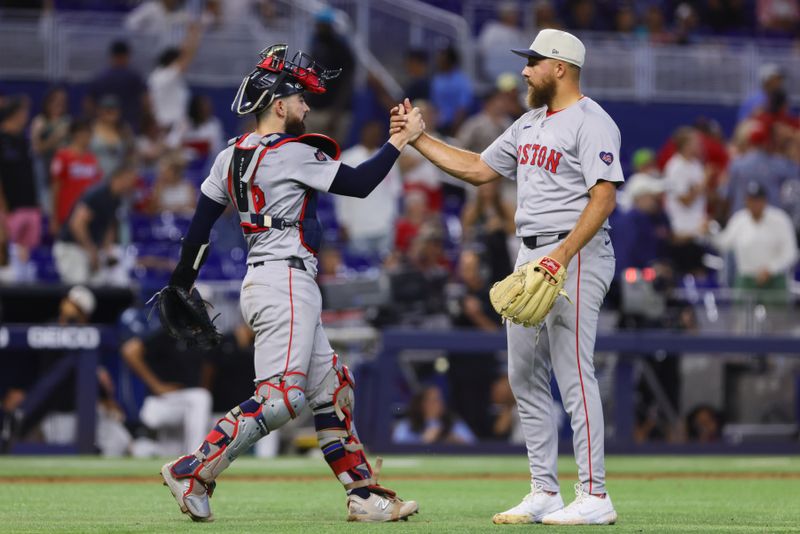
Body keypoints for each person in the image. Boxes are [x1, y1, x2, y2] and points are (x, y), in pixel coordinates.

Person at [157, 43, 422, 523]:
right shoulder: (292, 153)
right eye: (300, 98)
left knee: (332, 386)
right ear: (278, 104)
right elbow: (361, 183)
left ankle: (362, 496)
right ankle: (193, 469)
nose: (306, 106)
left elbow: (198, 231)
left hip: (267, 281)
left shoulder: (229, 156)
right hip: (286, 282)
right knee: (280, 399)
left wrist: (181, 283)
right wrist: (400, 140)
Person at [391, 29, 620, 525]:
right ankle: (544, 490)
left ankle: (595, 495)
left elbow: (603, 198)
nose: (524, 70)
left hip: (574, 253)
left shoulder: (591, 120)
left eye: (534, 61)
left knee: (574, 374)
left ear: (560, 67)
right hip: (529, 254)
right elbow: (476, 168)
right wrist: (419, 138)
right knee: (522, 375)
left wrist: (560, 255)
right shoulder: (529, 123)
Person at [53, 163, 138, 285]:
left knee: (99, 287)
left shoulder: (116, 198)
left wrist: (107, 251)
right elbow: (76, 224)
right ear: (119, 178)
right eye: (130, 180)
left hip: (89, 249)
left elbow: (109, 226)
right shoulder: (98, 194)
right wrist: (91, 251)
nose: (132, 185)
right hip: (71, 247)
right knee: (79, 290)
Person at [50, 118, 103, 236]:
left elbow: (98, 187)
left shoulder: (92, 159)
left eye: (90, 133)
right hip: (66, 213)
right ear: (75, 134)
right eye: (85, 133)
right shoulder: (62, 156)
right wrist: (54, 217)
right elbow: (56, 186)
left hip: (87, 215)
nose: (88, 137)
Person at [85, 40, 148, 132]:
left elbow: (88, 104)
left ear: (111, 56)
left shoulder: (99, 78)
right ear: (126, 56)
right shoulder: (135, 77)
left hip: (104, 130)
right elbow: (145, 101)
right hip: (130, 127)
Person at [392, 384, 476, 445]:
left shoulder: (454, 423)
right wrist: (423, 441)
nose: (439, 403)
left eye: (440, 399)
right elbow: (396, 446)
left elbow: (474, 445)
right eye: (434, 400)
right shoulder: (407, 425)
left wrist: (455, 440)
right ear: (422, 404)